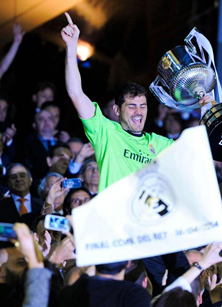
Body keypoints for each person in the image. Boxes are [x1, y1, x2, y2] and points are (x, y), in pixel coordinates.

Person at [61, 13, 211, 192]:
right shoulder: (106, 132)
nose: (138, 112)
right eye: (131, 106)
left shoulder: (160, 144)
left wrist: (207, 112)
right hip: (114, 218)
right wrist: (71, 47)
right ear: (117, 110)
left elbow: (195, 155)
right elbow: (75, 93)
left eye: (142, 106)